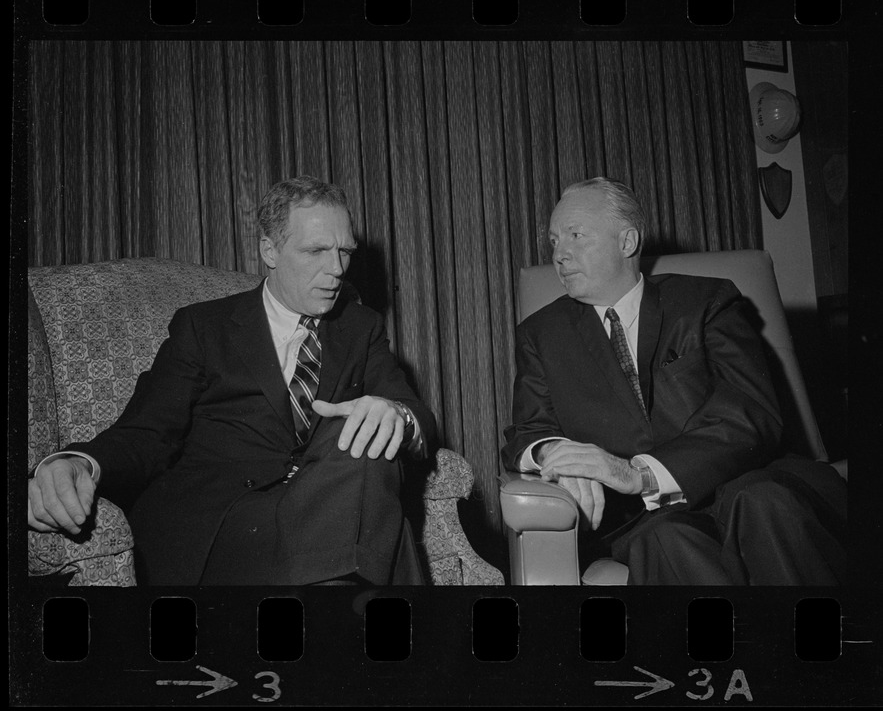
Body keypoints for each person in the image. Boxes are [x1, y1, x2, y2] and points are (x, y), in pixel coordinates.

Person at [28, 177, 437, 586]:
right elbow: (147, 432)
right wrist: (80, 462)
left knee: (366, 434)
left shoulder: (361, 328)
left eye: (345, 252)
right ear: (269, 250)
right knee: (382, 532)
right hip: (226, 521)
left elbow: (416, 413)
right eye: (316, 251)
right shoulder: (205, 327)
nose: (336, 270)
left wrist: (393, 414)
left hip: (327, 509)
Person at [502, 177, 847, 585]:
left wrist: (641, 473)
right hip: (642, 519)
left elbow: (750, 413)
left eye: (576, 235)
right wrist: (557, 453)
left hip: (750, 481)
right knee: (664, 539)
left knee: (762, 501)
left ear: (627, 242)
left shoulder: (707, 302)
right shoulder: (541, 334)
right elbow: (527, 432)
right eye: (554, 240)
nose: (560, 253)